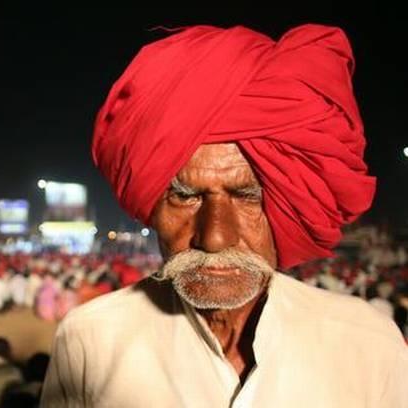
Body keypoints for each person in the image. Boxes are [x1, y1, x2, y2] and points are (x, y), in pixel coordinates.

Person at [41, 24, 408, 407]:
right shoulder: (90, 341)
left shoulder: (367, 344)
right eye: (186, 197)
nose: (215, 238)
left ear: (286, 201)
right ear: (149, 205)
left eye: (246, 197)